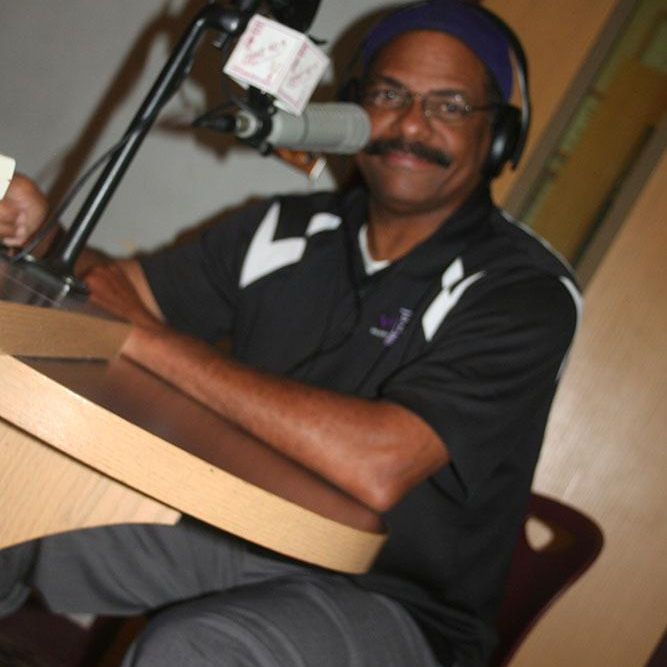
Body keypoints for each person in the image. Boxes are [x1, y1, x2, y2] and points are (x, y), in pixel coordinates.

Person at [0, 2, 581, 666]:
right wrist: (43, 234)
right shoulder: (282, 227)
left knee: (199, 650)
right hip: (239, 528)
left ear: (497, 137)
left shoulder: (525, 291)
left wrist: (150, 341)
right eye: (389, 95)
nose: (410, 124)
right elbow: (115, 297)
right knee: (14, 487)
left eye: (448, 105)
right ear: (353, 111)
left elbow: (377, 465)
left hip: (396, 600)